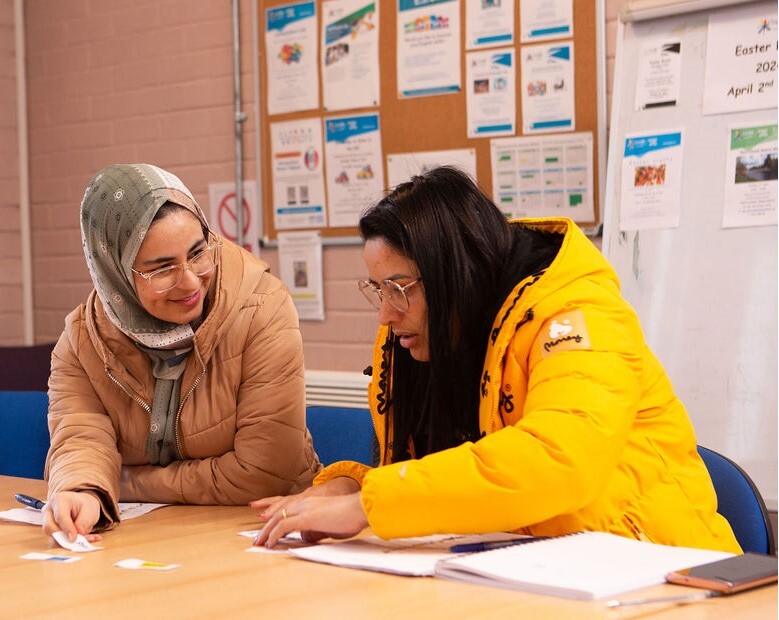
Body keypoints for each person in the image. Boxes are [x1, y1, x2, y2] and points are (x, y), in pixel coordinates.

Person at [252, 166, 740, 554]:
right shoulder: (435, 335)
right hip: (534, 572)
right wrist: (353, 487)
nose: (385, 313)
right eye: (378, 289)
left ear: (455, 274)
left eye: (399, 289)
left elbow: (556, 461)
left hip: (663, 573)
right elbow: (449, 473)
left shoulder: (577, 316)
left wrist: (370, 504)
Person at [44, 163, 321, 542]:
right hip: (152, 539)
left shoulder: (262, 307)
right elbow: (80, 439)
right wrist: (85, 491)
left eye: (197, 253)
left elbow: (262, 473)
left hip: (262, 532)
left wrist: (124, 482)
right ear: (116, 274)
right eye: (162, 269)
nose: (190, 281)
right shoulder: (83, 338)